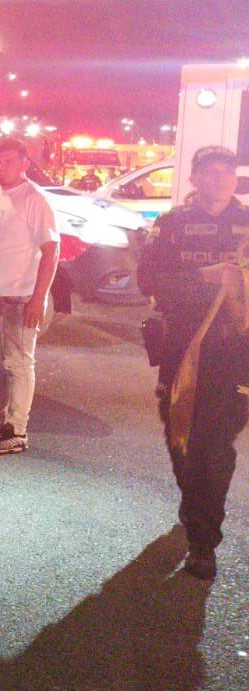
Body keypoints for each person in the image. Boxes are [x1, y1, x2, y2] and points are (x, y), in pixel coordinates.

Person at [137, 144, 249, 581]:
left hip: (236, 355)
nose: (217, 180)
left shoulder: (248, 225)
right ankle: (195, 505)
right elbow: (148, 279)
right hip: (183, 348)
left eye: (226, 173)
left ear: (235, 180)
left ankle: (203, 541)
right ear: (193, 179)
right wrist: (203, 277)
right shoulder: (172, 225)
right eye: (208, 172)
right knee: (179, 438)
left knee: (214, 444)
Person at [0, 135, 60, 454]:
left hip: (20, 298)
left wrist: (39, 298)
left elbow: (51, 251)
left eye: (8, 162)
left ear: (24, 164)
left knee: (19, 364)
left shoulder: (34, 199)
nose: (0, 167)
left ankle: (17, 430)